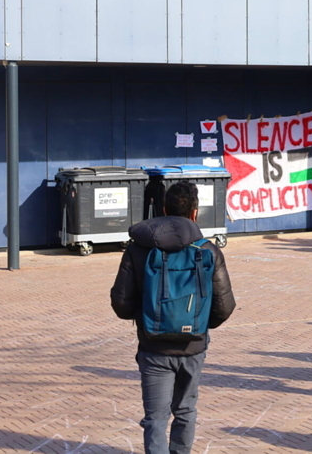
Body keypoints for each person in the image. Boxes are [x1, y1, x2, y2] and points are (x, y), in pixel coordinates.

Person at [110, 182, 237, 454]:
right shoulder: (209, 250)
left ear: (164, 210)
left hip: (153, 346)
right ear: (195, 213)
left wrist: (150, 316)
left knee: (155, 418)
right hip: (193, 346)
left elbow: (121, 303)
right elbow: (225, 306)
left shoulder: (137, 249)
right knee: (185, 410)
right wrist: (198, 323)